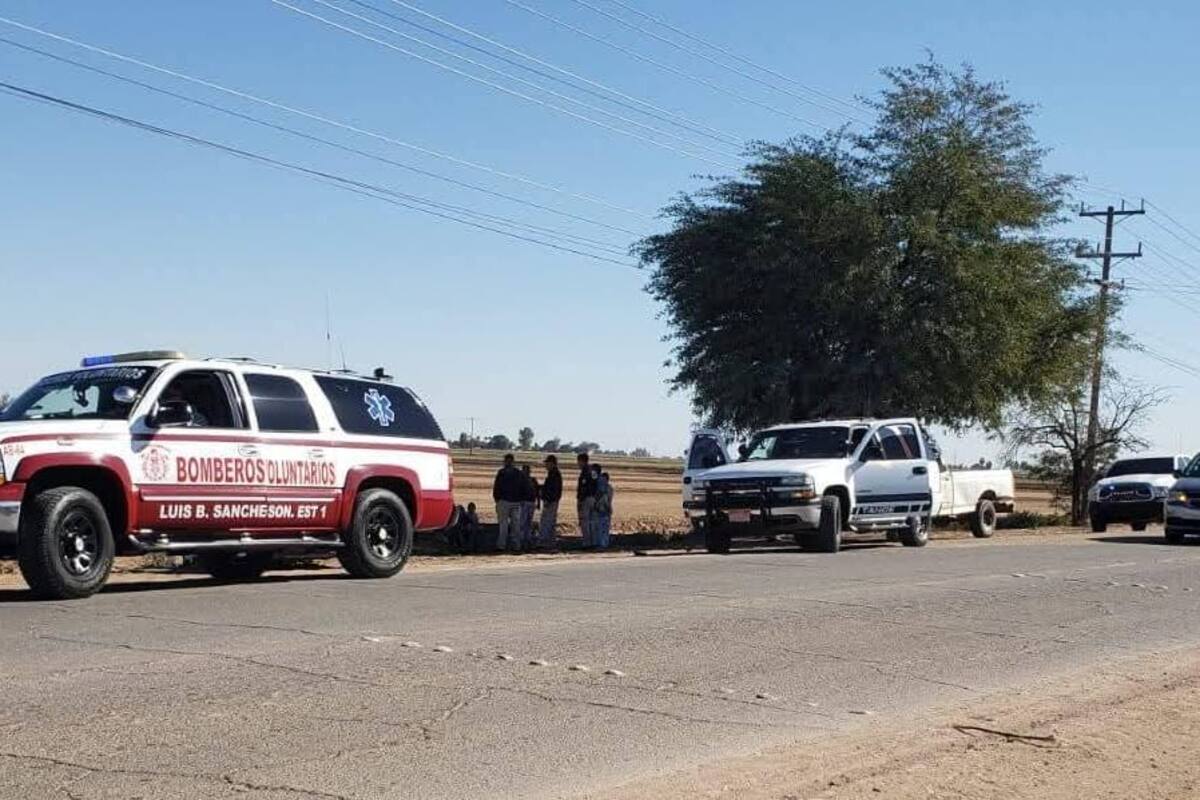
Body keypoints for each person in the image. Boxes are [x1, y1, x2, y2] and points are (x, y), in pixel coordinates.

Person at [492, 454, 524, 552]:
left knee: (504, 525)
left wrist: (497, 499)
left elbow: (496, 487)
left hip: (504, 501)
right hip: (515, 502)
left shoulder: (502, 473)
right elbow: (523, 487)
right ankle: (516, 546)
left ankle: (501, 546)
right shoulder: (518, 473)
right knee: (515, 525)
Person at [538, 455, 563, 549]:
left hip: (550, 501)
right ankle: (551, 542)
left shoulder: (554, 474)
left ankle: (544, 542)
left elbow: (553, 489)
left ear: (552, 463)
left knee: (546, 522)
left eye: (547, 463)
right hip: (552, 501)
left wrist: (548, 499)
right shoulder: (553, 473)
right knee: (551, 522)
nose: (546, 465)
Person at [576, 451, 597, 547]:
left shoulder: (585, 472)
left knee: (585, 521)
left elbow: (584, 487)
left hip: (586, 499)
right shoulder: (593, 471)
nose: (578, 464)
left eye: (578, 461)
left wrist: (580, 499)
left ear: (582, 461)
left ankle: (587, 542)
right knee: (592, 522)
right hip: (593, 498)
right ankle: (593, 541)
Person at [592, 467, 613, 549]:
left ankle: (603, 544)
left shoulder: (608, 488)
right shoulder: (602, 488)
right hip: (601, 510)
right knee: (600, 528)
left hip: (605, 510)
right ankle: (601, 543)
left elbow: (606, 499)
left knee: (604, 528)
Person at [519, 464, 539, 550]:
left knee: (523, 522)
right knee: (527, 522)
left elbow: (537, 492)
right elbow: (537, 492)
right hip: (530, 502)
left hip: (526, 503)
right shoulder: (532, 480)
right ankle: (527, 539)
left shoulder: (522, 481)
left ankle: (524, 540)